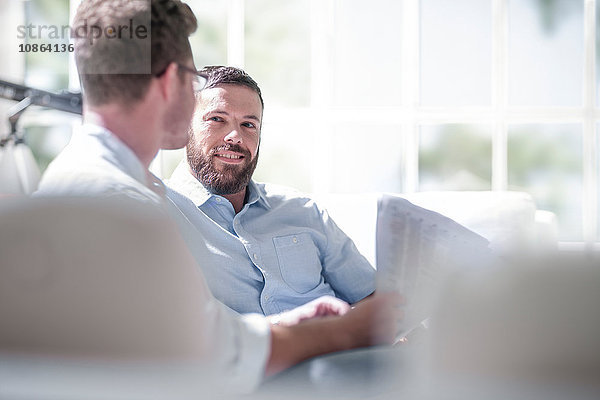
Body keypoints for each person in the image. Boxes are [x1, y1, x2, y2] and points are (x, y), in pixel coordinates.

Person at [35, 0, 398, 393]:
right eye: (193, 83)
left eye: (248, 124)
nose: (234, 135)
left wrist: (291, 324)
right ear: (171, 81)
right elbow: (207, 355)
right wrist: (347, 332)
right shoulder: (118, 202)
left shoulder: (93, 180)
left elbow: (193, 333)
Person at [167, 66, 375, 316]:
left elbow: (371, 297)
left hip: (344, 351)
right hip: (252, 351)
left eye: (249, 124)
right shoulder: (157, 212)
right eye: (217, 119)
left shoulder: (302, 210)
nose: (235, 136)